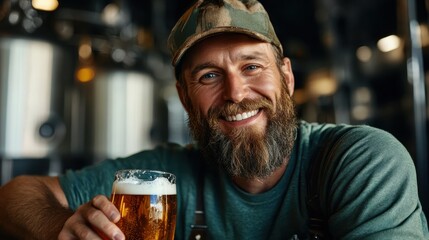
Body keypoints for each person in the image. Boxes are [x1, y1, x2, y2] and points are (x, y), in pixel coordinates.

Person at [1, 0, 428, 239]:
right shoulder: (163, 181)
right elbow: (16, 195)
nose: (236, 93)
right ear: (186, 99)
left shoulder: (360, 161)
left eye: (252, 67)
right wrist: (63, 227)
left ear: (287, 77)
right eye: (209, 76)